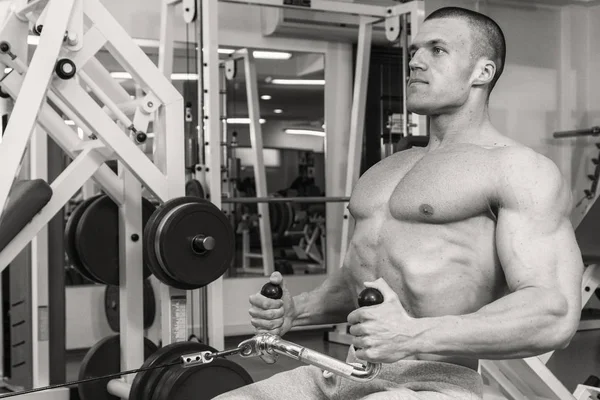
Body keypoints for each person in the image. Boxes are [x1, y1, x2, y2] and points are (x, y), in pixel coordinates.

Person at [215, 6, 584, 400]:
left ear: (483, 72)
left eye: (437, 50)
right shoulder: (386, 171)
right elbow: (358, 279)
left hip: (434, 380)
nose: (416, 62)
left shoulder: (516, 168)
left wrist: (411, 335)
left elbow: (554, 312)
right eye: (414, 51)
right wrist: (297, 310)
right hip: (342, 371)